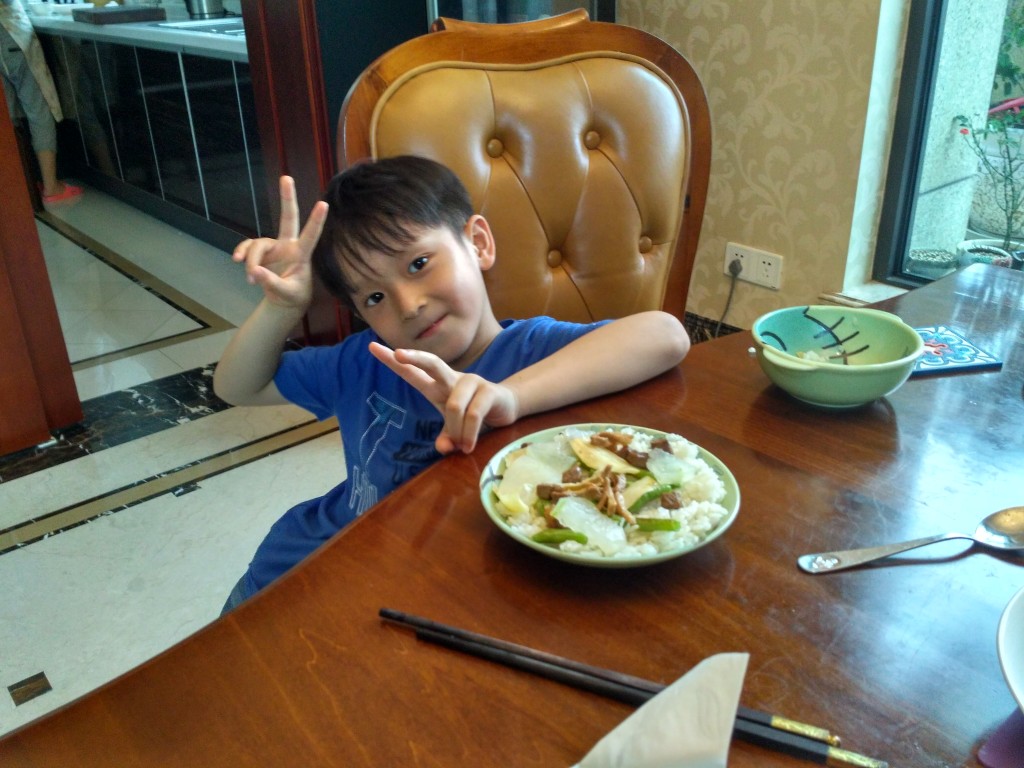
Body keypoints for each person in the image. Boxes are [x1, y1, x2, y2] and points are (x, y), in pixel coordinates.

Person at [213, 155, 691, 612]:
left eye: (418, 264)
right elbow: (237, 387)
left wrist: (510, 396)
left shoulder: (533, 353)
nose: (408, 304)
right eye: (375, 296)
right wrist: (281, 309)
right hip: (300, 567)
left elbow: (665, 335)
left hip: (427, 589)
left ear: (478, 243)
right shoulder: (366, 361)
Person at [0, 0, 81, 202]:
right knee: (38, 111)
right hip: (9, 33)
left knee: (8, 117)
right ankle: (52, 186)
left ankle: (22, 185)